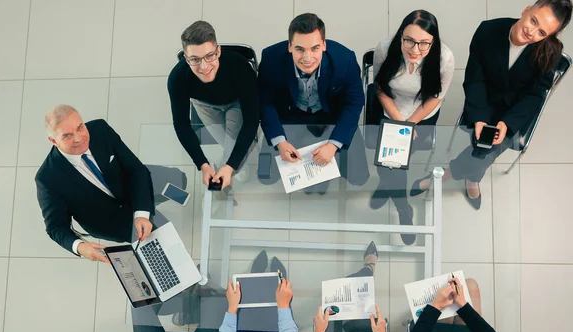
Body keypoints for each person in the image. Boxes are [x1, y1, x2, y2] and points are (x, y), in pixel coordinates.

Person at [411, 0, 572, 210]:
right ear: (526, 11)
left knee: (489, 149)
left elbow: (535, 95)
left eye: (542, 32)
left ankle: (447, 175)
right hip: (484, 101)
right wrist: (479, 116)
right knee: (483, 150)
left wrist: (507, 123)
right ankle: (473, 179)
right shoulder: (488, 31)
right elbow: (475, 79)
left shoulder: (551, 51)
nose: (532, 32)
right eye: (533, 21)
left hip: (515, 112)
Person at [36, 105, 180, 263]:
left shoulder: (100, 129)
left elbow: (136, 170)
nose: (79, 138)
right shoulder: (47, 178)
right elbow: (56, 227)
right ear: (53, 141)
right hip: (107, 218)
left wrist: (141, 213)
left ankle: (152, 203)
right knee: (160, 240)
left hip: (128, 185)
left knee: (180, 180)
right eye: (67, 136)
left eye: (80, 127)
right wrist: (80, 246)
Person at [368, 10, 454, 245]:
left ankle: (393, 195)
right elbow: (379, 87)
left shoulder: (444, 58)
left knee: (392, 164)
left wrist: (410, 123)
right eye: (409, 41)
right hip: (390, 110)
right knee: (391, 164)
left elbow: (436, 97)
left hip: (421, 114)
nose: (415, 50)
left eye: (424, 43)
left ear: (433, 41)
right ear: (401, 36)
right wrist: (398, 121)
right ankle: (402, 206)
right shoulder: (385, 48)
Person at [257, 12, 369, 192]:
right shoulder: (271, 59)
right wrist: (280, 142)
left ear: (324, 45)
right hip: (290, 115)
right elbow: (265, 103)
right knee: (266, 177)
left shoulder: (345, 59)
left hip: (332, 116)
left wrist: (334, 144)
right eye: (300, 49)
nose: (307, 58)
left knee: (360, 178)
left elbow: (353, 104)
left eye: (314, 48)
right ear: (290, 46)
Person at [168, 20, 259, 190]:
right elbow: (181, 125)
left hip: (235, 102)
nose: (204, 66)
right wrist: (202, 164)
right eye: (195, 59)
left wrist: (230, 165)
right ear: (186, 59)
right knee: (227, 145)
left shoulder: (240, 67)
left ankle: (234, 163)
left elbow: (252, 121)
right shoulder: (177, 78)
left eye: (210, 56)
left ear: (218, 51)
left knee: (233, 152)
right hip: (203, 105)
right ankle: (235, 160)